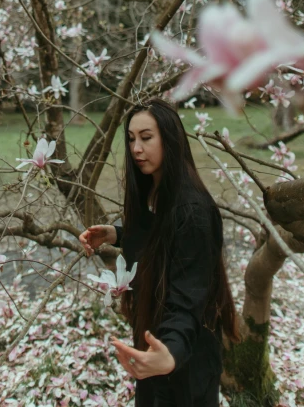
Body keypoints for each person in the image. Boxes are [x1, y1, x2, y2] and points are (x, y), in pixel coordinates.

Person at [79, 98, 239, 407]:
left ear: (170, 138)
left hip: (185, 357)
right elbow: (160, 236)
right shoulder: (153, 190)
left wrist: (171, 351)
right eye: (131, 139)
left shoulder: (193, 212)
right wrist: (118, 234)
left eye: (146, 137)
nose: (136, 149)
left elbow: (188, 295)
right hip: (154, 345)